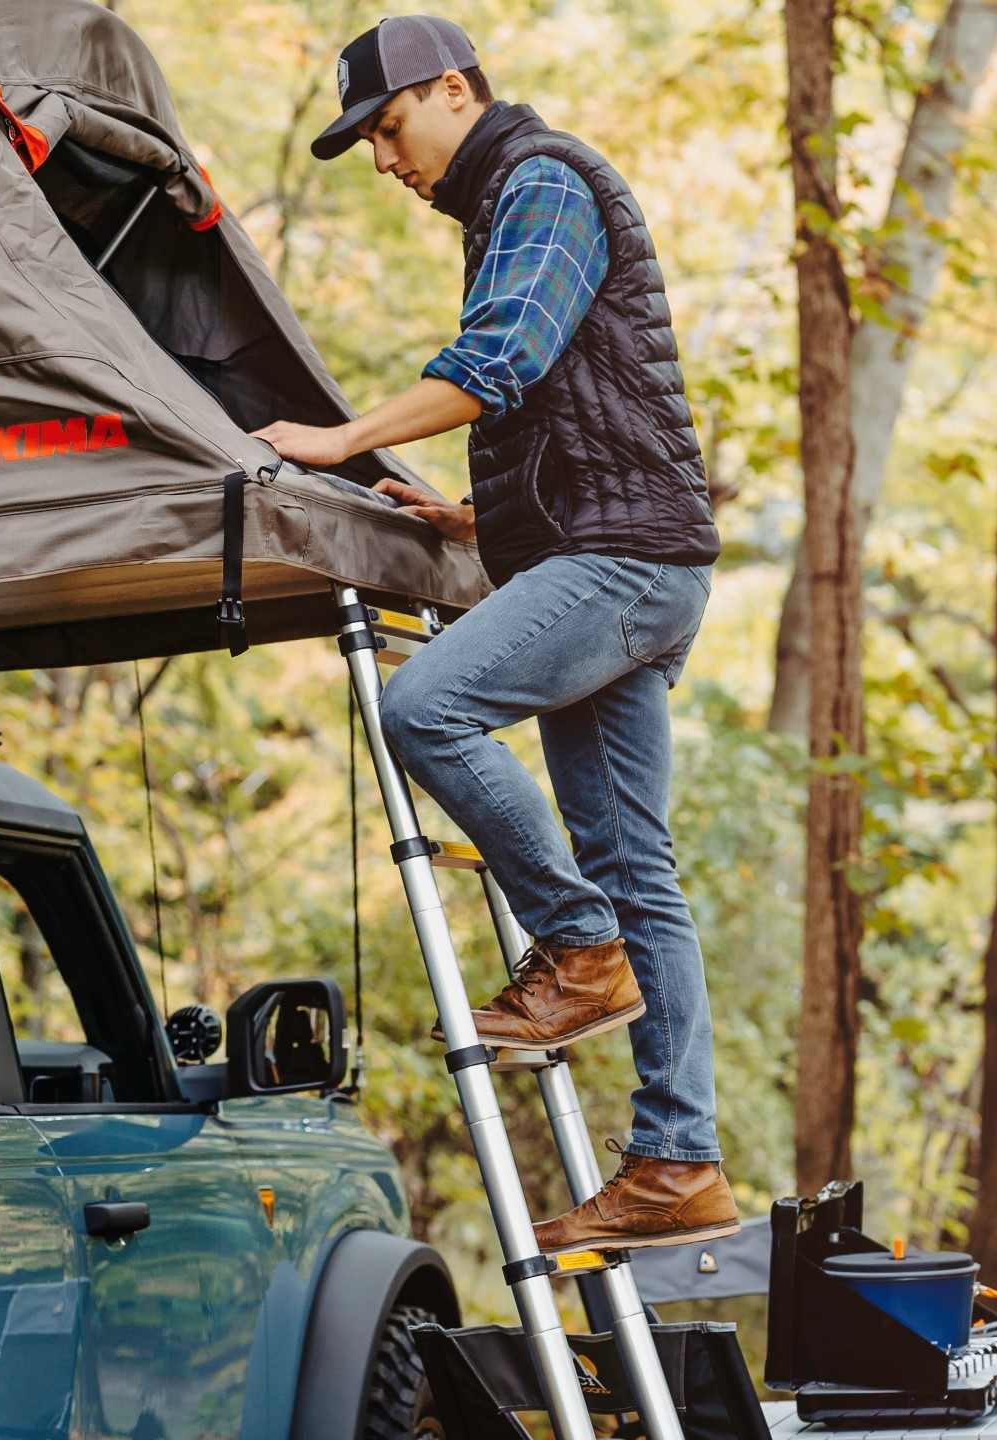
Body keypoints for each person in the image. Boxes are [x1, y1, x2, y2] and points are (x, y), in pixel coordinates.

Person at [255, 15, 735, 1253]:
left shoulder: (541, 182)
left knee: (425, 706)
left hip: (621, 565)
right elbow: (587, 400)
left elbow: (503, 359)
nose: (384, 161)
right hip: (620, 552)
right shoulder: (511, 203)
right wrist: (482, 516)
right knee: (637, 870)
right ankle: (680, 1162)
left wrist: (341, 439)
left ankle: (576, 948)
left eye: (387, 128)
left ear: (454, 90)